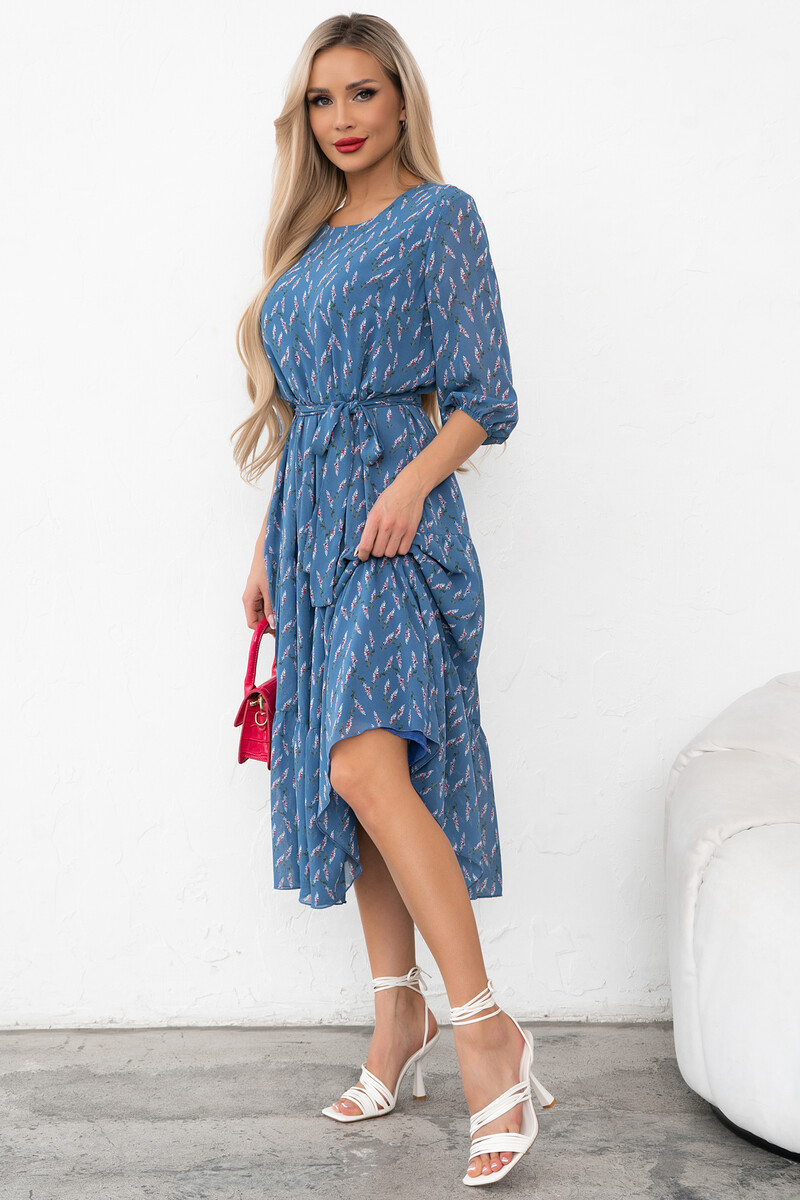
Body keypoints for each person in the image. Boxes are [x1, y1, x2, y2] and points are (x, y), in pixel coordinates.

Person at [232, 12, 555, 1188]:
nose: (342, 117)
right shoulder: (310, 239)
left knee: (368, 763)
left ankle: (483, 1031)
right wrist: (266, 543)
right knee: (353, 780)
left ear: (400, 99)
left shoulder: (439, 218)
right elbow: (298, 414)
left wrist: (411, 485)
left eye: (361, 92)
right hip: (311, 532)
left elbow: (486, 395)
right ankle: (394, 1019)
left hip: (396, 529)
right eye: (321, 100)